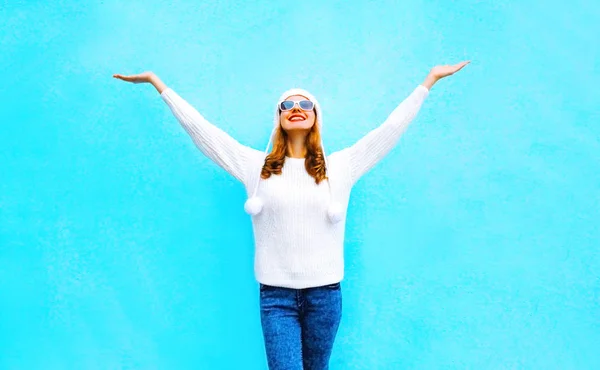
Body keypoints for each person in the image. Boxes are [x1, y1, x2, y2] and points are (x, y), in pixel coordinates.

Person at [113, 60, 469, 369]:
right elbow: (204, 131)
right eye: (287, 104)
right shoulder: (256, 167)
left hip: (325, 296)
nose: (296, 107)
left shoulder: (340, 167)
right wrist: (160, 85)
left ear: (316, 118)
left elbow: (389, 130)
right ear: (279, 117)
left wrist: (428, 82)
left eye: (305, 104)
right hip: (276, 298)